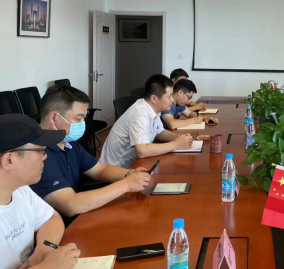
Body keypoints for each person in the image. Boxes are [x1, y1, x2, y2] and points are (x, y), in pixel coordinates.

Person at [31, 86, 153, 226]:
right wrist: (126, 185)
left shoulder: (68, 143)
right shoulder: (39, 154)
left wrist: (130, 174)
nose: (83, 124)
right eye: (78, 119)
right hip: (61, 228)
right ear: (54, 118)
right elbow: (70, 205)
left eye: (84, 118)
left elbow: (100, 170)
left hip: (81, 217)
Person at [0, 114, 81, 269]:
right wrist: (48, 267)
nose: (45, 157)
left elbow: (52, 219)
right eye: (41, 150)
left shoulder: (20, 190)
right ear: (9, 160)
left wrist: (41, 254)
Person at [100, 75, 193, 168]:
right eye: (169, 97)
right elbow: (142, 151)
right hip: (115, 168)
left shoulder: (153, 108)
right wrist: (176, 144)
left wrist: (179, 138)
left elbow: (160, 132)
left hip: (134, 163)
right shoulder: (140, 114)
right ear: (154, 98)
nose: (172, 100)